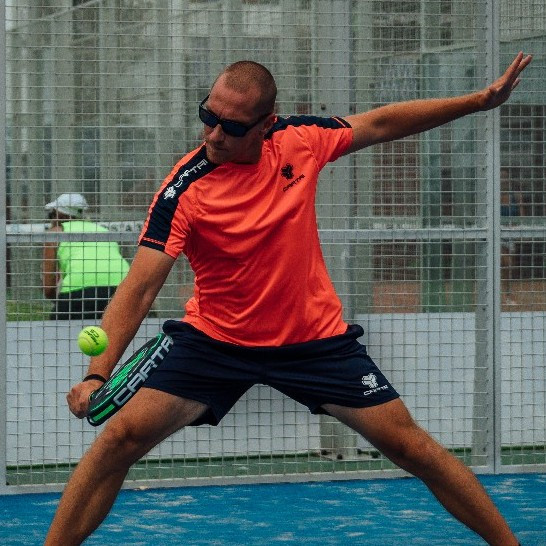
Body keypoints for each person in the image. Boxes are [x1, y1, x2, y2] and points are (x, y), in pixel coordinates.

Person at [45, 52, 532, 545]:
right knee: (118, 439)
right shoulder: (182, 190)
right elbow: (140, 288)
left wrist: (479, 101)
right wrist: (97, 373)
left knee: (414, 450)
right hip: (216, 342)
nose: (214, 135)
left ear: (266, 124)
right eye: (208, 116)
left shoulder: (300, 140)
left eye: (233, 126)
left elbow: (382, 123)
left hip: (314, 342)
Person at [42, 193, 130, 320]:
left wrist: (60, 302)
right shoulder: (104, 231)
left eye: (51, 215)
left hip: (77, 290)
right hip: (122, 288)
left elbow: (49, 288)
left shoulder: (55, 233)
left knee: (57, 329)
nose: (50, 220)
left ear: (60, 215)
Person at [500, 168, 525, 304]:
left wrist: (519, 228)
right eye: (501, 177)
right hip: (497, 232)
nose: (504, 180)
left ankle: (508, 293)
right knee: (504, 261)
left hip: (510, 232)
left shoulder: (515, 196)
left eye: (505, 177)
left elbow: (522, 215)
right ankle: (501, 293)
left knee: (509, 266)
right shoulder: (493, 195)